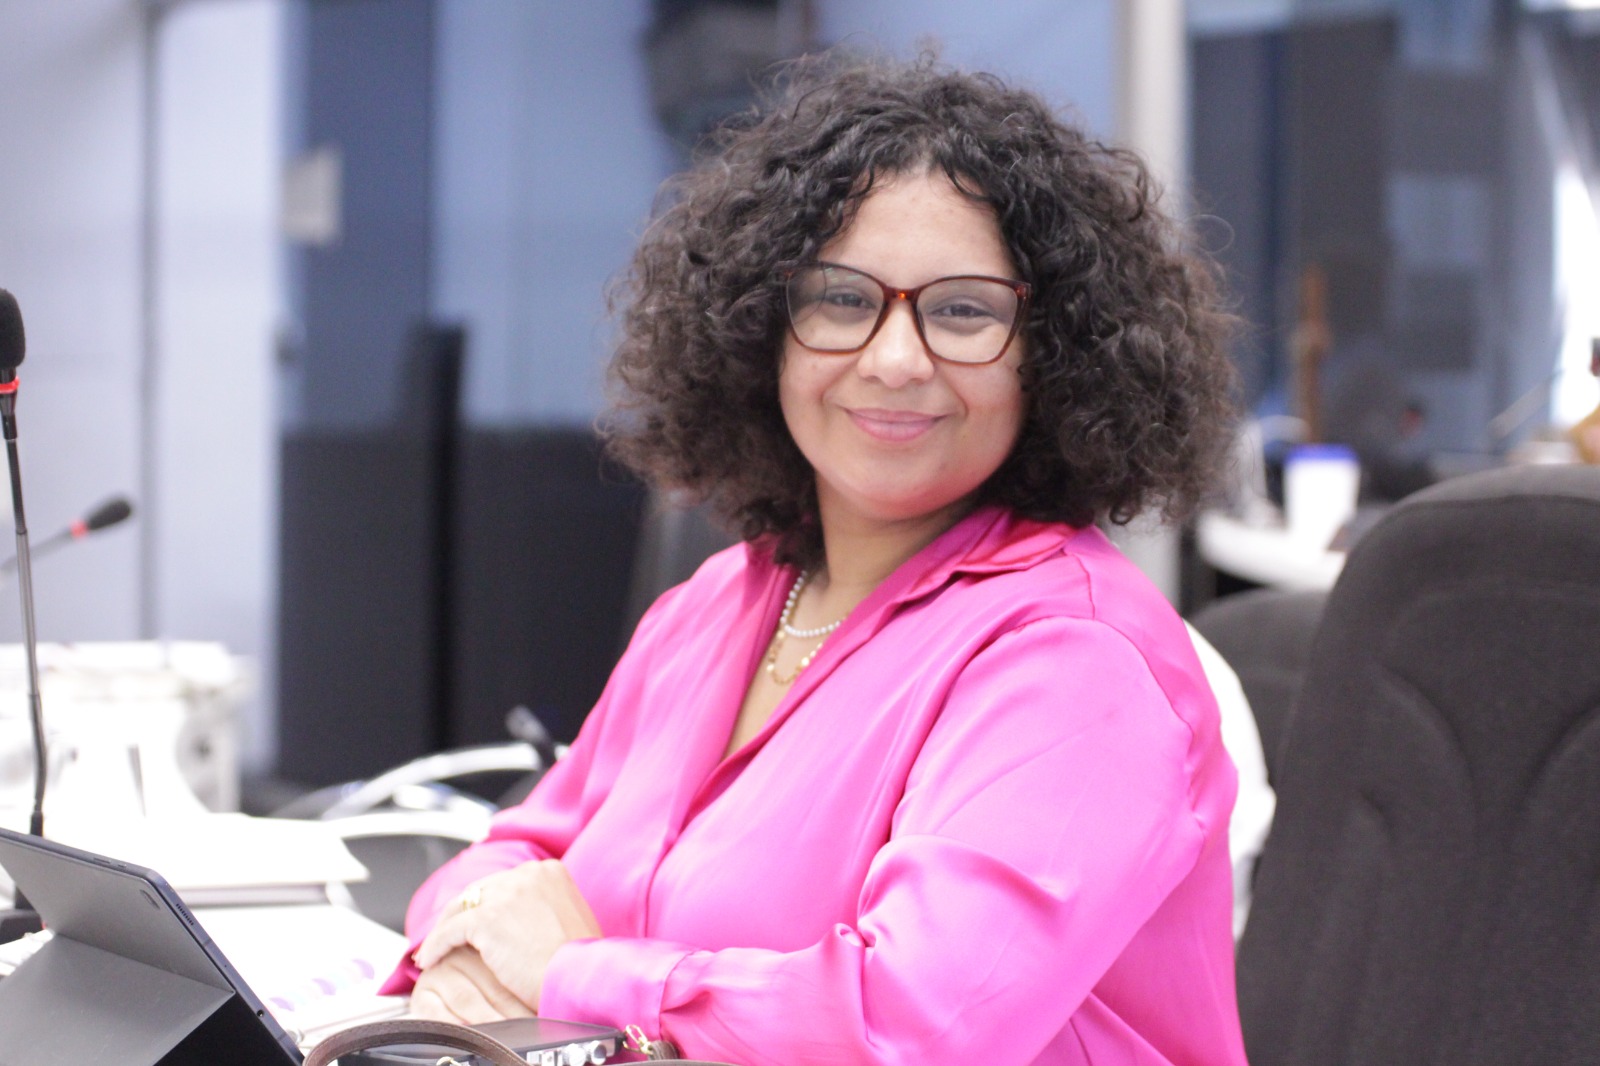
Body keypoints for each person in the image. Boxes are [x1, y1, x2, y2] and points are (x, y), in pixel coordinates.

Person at [382, 53, 1247, 1066]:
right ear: (765, 331)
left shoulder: (1078, 663)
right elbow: (523, 850)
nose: (894, 358)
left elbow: (906, 1031)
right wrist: (464, 950)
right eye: (841, 299)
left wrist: (575, 973)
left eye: (962, 311)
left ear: (1048, 355)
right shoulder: (718, 603)